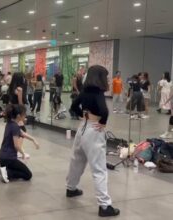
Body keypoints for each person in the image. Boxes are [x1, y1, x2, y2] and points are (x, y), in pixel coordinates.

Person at [66, 65, 120, 217]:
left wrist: (83, 117)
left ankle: (71, 188)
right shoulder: (98, 92)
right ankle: (104, 206)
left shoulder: (85, 90)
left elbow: (74, 106)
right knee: (99, 168)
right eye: (106, 76)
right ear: (100, 77)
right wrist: (102, 122)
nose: (108, 79)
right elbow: (104, 111)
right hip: (94, 130)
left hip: (82, 126)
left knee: (76, 160)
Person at [0, 104, 40, 183]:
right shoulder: (15, 127)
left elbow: (23, 133)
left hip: (2, 157)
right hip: (9, 158)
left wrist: (33, 140)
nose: (25, 116)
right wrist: (23, 154)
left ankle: (0, 168)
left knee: (17, 168)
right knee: (28, 175)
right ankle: (6, 172)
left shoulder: (10, 123)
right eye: (24, 115)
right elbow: (16, 145)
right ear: (18, 116)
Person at [8, 72, 29, 158]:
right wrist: (23, 115)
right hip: (18, 113)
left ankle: (17, 150)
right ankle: (18, 151)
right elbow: (20, 103)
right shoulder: (19, 89)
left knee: (15, 131)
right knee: (22, 131)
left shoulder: (12, 88)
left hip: (13, 112)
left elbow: (10, 102)